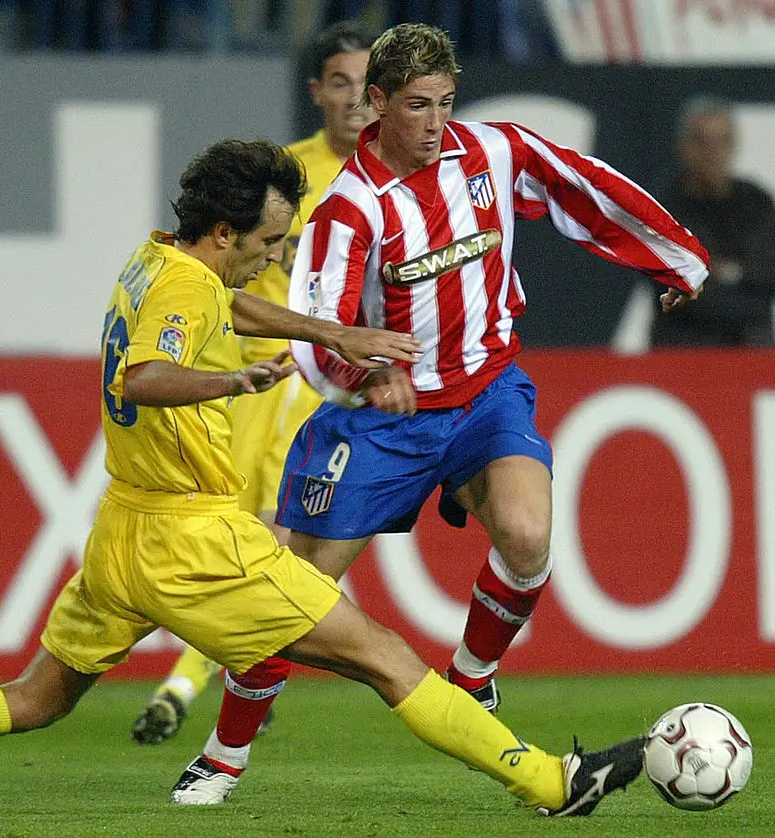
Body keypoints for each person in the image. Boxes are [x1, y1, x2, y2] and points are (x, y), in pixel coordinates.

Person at [0, 138, 644, 822]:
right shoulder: (187, 296)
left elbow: (231, 301)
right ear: (225, 232)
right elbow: (142, 373)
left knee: (35, 697)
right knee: (384, 657)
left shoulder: (158, 260)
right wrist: (235, 379)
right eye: (267, 241)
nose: (274, 254)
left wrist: (330, 334)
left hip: (123, 533)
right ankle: (549, 781)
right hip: (195, 538)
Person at [171, 22, 707, 805]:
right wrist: (368, 373)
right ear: (377, 104)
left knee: (527, 536)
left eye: (446, 104)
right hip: (380, 423)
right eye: (418, 106)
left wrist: (676, 257)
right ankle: (223, 756)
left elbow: (579, 186)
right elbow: (319, 338)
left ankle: (473, 678)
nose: (434, 124)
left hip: (486, 392)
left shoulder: (488, 152)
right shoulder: (346, 212)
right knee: (293, 598)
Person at [131, 20, 376, 746]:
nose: (356, 101)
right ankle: (238, 666)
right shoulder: (283, 177)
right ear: (317, 93)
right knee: (230, 540)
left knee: (273, 542)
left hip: (316, 388)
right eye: (341, 84)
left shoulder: (396, 186)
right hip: (245, 375)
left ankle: (184, 682)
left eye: (368, 86)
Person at [648, 94, 775, 347]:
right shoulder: (661, 208)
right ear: (682, 145)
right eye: (701, 141)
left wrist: (724, 272)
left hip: (752, 346)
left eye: (722, 141)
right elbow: (680, 291)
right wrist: (743, 278)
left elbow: (768, 275)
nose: (712, 153)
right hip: (683, 348)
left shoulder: (756, 203)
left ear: (734, 145)